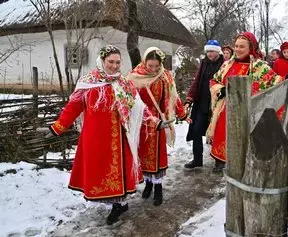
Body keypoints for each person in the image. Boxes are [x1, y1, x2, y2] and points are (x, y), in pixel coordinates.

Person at [40, 45, 169, 225]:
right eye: (111, 62)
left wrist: (156, 123)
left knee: (119, 171)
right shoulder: (88, 83)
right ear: (102, 61)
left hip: (119, 137)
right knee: (102, 172)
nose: (115, 66)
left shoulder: (123, 84)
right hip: (96, 137)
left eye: (117, 62)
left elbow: (139, 107)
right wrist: (57, 127)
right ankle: (116, 204)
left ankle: (119, 205)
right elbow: (73, 107)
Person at [206, 32, 283, 172]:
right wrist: (220, 89)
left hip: (248, 110)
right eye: (236, 46)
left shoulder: (259, 66)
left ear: (251, 47)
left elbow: (274, 83)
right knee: (222, 133)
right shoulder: (227, 64)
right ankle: (220, 161)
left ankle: (243, 162)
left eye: (242, 46)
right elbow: (214, 80)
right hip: (226, 109)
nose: (237, 49)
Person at [127, 47, 191, 206]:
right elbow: (128, 99)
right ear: (144, 62)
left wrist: (183, 115)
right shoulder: (134, 77)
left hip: (160, 121)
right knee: (143, 153)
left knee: (157, 155)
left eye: (156, 66)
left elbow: (174, 97)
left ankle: (158, 187)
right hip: (141, 121)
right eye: (150, 66)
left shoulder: (165, 77)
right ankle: (148, 184)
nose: (154, 69)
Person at [184, 40, 224, 169]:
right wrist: (189, 99)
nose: (209, 54)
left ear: (217, 51)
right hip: (202, 101)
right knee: (196, 130)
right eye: (207, 51)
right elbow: (197, 81)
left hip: (217, 103)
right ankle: (197, 159)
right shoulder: (204, 63)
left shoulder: (224, 64)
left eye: (211, 51)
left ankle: (219, 160)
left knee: (216, 132)